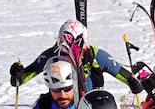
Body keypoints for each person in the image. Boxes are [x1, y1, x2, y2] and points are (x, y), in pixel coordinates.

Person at [11, 20, 142, 95]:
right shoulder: (52, 54)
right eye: (64, 45)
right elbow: (22, 78)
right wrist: (18, 74)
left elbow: (120, 72)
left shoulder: (95, 54)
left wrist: (133, 82)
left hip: (89, 102)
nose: (69, 51)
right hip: (61, 104)